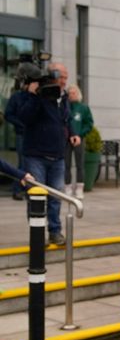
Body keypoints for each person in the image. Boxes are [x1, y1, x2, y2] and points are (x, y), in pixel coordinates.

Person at [11, 61, 72, 245]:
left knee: (56, 197)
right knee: (37, 195)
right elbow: (23, 117)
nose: (63, 81)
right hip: (35, 154)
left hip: (57, 155)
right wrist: (34, 95)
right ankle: (37, 233)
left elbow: (65, 121)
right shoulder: (30, 95)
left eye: (65, 78)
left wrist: (73, 134)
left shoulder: (62, 96)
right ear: (51, 75)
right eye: (60, 77)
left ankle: (55, 231)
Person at [65, 84, 93, 199]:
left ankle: (79, 188)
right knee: (66, 164)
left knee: (80, 164)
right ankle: (67, 187)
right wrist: (69, 135)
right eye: (69, 93)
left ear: (78, 94)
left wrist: (80, 135)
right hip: (66, 139)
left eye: (74, 93)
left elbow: (89, 124)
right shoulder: (65, 107)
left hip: (79, 139)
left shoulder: (84, 108)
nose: (71, 95)